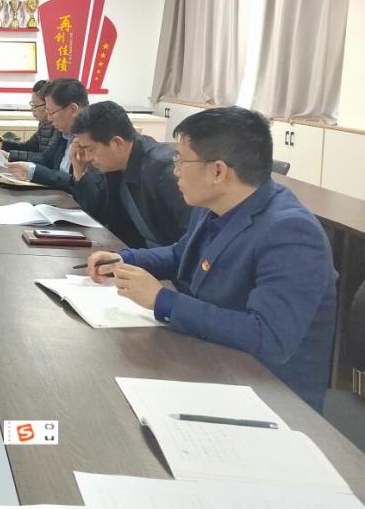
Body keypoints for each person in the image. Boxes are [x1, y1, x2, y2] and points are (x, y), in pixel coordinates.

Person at [86, 107, 337, 411]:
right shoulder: (215, 205)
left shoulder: (290, 232)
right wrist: (125, 259)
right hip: (211, 360)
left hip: (270, 396)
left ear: (218, 171)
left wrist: (162, 300)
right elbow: (180, 254)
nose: (175, 171)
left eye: (182, 161)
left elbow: (268, 336)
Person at [70, 101, 190, 248]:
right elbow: (97, 215)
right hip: (134, 252)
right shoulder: (114, 164)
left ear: (117, 143)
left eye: (90, 149)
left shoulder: (163, 170)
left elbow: (191, 241)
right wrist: (80, 171)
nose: (88, 157)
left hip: (164, 258)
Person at [6, 79, 99, 191]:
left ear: (73, 109)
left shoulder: (95, 138)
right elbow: (46, 159)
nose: (49, 119)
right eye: (47, 112)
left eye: (52, 113)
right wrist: (14, 160)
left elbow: (78, 183)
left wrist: (33, 171)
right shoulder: (64, 132)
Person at [0, 80, 57, 162]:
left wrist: (9, 155)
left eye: (35, 105)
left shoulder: (58, 126)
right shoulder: (44, 123)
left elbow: (46, 158)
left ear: (48, 104)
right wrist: (3, 145)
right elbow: (29, 146)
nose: (32, 109)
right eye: (32, 104)